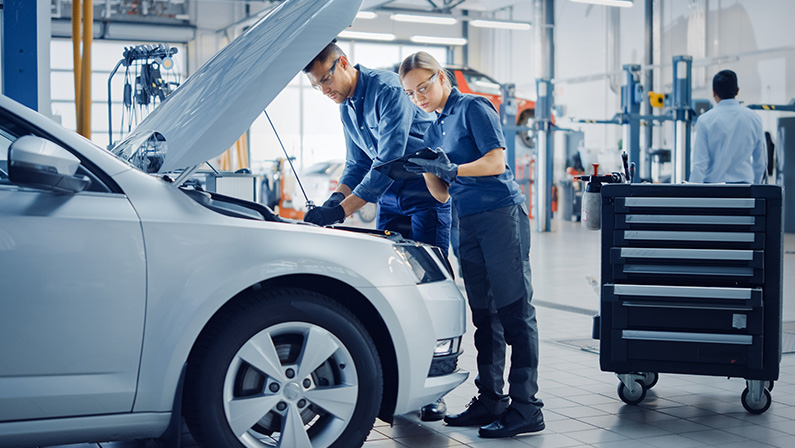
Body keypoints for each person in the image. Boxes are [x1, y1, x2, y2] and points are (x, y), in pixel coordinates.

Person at [398, 51, 544, 439]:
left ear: (442, 77)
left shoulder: (473, 107)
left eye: (423, 87)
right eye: (411, 94)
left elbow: (496, 162)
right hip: (468, 222)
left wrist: (453, 167)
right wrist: (425, 168)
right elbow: (443, 195)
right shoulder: (433, 129)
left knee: (514, 310)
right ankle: (491, 399)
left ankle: (527, 407)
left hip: (500, 216)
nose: (419, 98)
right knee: (485, 315)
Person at [302, 41, 451, 421]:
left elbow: (387, 161)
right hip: (389, 202)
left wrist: (342, 213)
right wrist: (332, 202)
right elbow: (356, 164)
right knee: (392, 288)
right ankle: (400, 379)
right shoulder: (347, 107)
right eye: (317, 86)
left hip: (424, 194)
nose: (325, 91)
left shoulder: (387, 91)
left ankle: (433, 390)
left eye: (326, 79)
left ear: (344, 63)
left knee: (428, 291)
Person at [689, 69, 766, 183]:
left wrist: (691, 193)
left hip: (714, 191)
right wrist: (756, 186)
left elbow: (700, 164)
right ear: (737, 91)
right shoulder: (754, 119)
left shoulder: (705, 120)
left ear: (714, 92)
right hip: (745, 190)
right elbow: (760, 162)